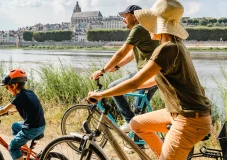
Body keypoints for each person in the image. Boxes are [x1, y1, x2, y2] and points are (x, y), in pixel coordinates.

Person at [87, 0, 212, 159]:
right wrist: (117, 89)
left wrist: (102, 94)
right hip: (179, 113)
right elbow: (152, 81)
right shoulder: (175, 45)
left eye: (149, 23)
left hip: (189, 119)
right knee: (137, 123)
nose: (146, 27)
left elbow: (135, 82)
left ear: (158, 26)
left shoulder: (167, 49)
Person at [90, 4, 160, 133]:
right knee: (139, 110)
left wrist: (102, 70)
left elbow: (121, 53)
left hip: (146, 73)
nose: (123, 19)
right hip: (155, 73)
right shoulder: (147, 27)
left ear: (134, 16)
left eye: (125, 16)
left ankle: (129, 122)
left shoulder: (139, 28)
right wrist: (117, 66)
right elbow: (133, 53)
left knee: (113, 88)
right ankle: (139, 142)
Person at [0, 69, 46, 160]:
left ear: (14, 85)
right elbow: (31, 107)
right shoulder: (29, 92)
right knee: (15, 126)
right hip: (40, 126)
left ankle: (19, 154)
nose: (7, 90)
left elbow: (3, 110)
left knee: (12, 147)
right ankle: (26, 152)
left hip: (32, 129)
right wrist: (13, 111)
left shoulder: (19, 97)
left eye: (7, 87)